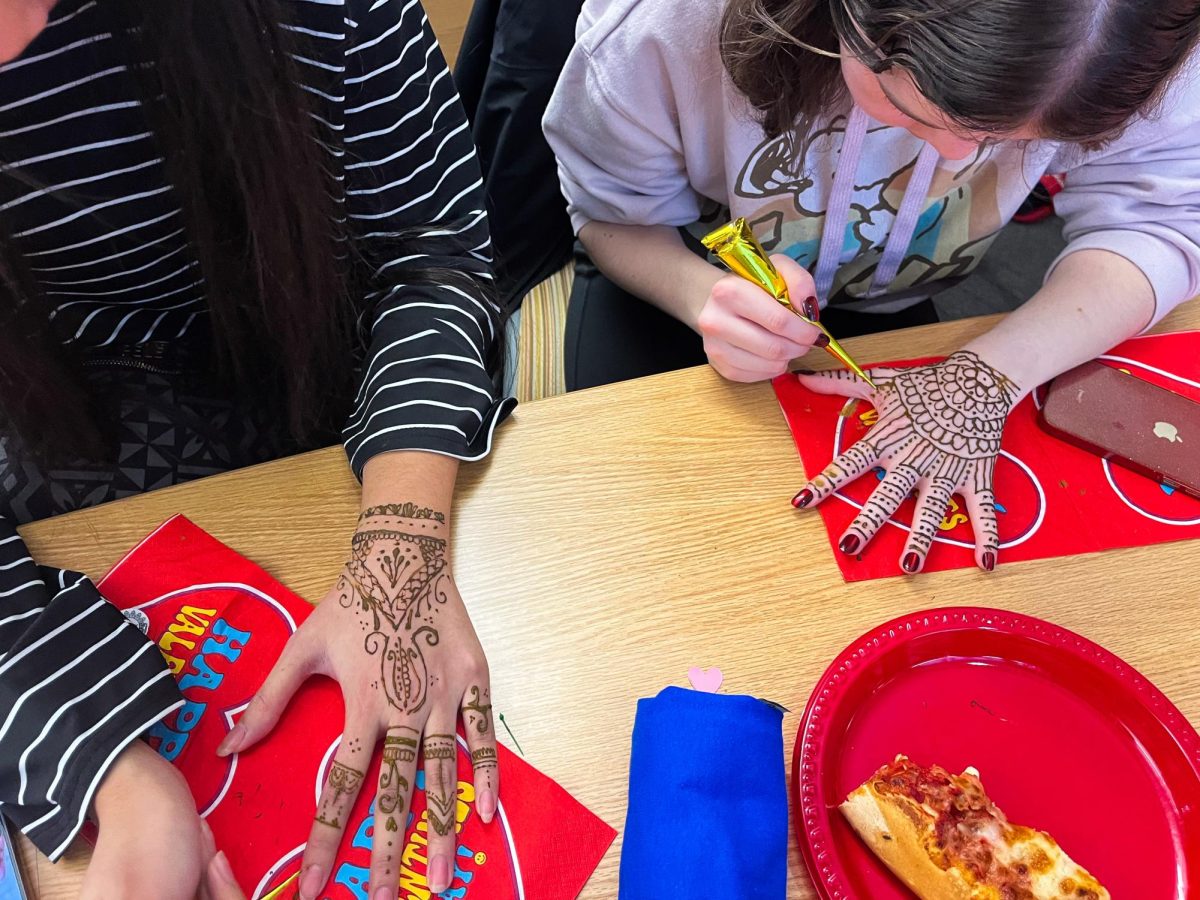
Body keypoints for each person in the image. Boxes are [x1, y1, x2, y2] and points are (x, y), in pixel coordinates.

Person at [0, 1, 513, 897]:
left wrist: (402, 539)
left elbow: (433, 247)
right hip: (54, 415)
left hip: (324, 354)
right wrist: (106, 768)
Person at [544, 0, 1200, 573]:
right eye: (915, 110)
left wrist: (992, 372)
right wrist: (697, 294)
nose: (955, 156)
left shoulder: (1139, 39)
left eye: (1011, 140)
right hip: (670, 270)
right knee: (650, 531)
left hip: (901, 304)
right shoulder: (661, 27)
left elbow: (1162, 221)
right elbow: (611, 221)